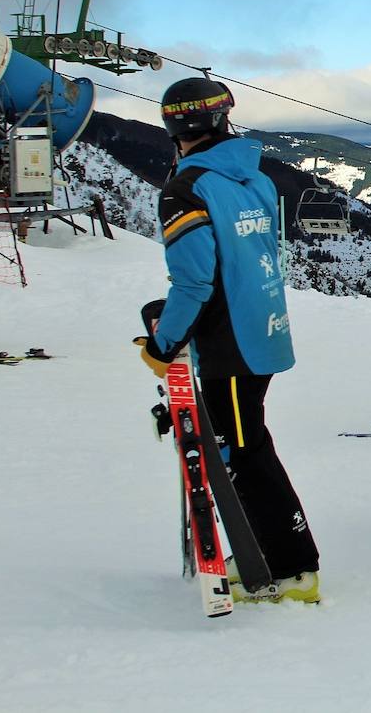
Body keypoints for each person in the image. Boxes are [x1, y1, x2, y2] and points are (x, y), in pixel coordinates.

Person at [134, 77, 320, 603]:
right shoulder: (251, 178)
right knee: (248, 444)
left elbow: (195, 280)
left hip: (228, 342)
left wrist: (163, 344)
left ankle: (291, 567)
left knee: (245, 453)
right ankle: (274, 552)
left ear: (173, 125)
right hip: (262, 328)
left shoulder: (186, 188)